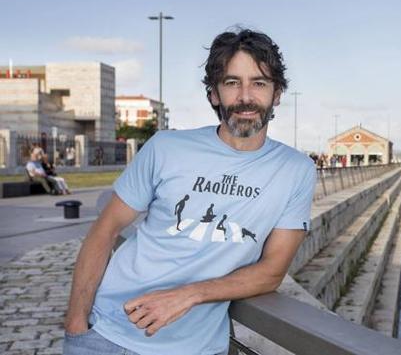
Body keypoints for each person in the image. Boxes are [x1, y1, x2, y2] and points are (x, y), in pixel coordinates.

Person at [64, 28, 316, 355]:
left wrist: (188, 294)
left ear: (277, 93)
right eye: (231, 83)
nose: (245, 96)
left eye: (259, 83)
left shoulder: (295, 170)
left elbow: (271, 272)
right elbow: (105, 230)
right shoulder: (166, 147)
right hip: (106, 335)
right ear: (214, 94)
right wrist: (75, 324)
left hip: (196, 347)